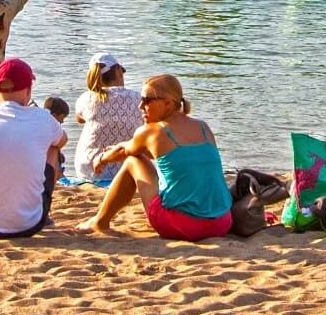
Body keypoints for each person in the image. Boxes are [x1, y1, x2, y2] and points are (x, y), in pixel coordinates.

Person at [79, 74, 233, 241]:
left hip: (182, 226)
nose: (140, 106)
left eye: (147, 100)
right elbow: (180, 158)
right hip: (221, 223)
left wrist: (101, 158)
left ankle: (100, 221)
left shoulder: (152, 131)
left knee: (133, 160)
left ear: (167, 103)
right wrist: (125, 146)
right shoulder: (204, 127)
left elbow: (124, 153)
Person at [0, 58, 65, 239]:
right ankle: (38, 207)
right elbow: (62, 140)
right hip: (29, 224)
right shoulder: (43, 118)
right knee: (53, 147)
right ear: (29, 91)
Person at [74, 54, 144, 186]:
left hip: (89, 170)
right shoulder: (138, 98)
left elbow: (79, 119)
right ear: (118, 71)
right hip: (129, 168)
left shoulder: (86, 98)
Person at [42, 96, 71, 177]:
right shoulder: (50, 126)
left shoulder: (42, 123)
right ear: (54, 115)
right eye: (62, 117)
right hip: (46, 165)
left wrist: (60, 153)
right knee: (55, 149)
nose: (62, 121)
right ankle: (58, 174)